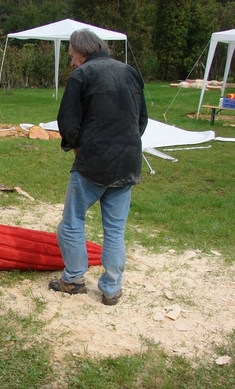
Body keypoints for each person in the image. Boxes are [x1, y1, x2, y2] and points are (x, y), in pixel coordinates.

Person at [50, 29, 148, 306]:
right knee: (115, 230)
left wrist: (77, 147)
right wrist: (126, 145)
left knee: (72, 223)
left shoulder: (82, 75)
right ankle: (112, 288)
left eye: (71, 56)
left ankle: (73, 279)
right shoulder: (129, 72)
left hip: (92, 163)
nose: (71, 63)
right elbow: (141, 119)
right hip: (127, 162)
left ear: (83, 51)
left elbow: (68, 121)